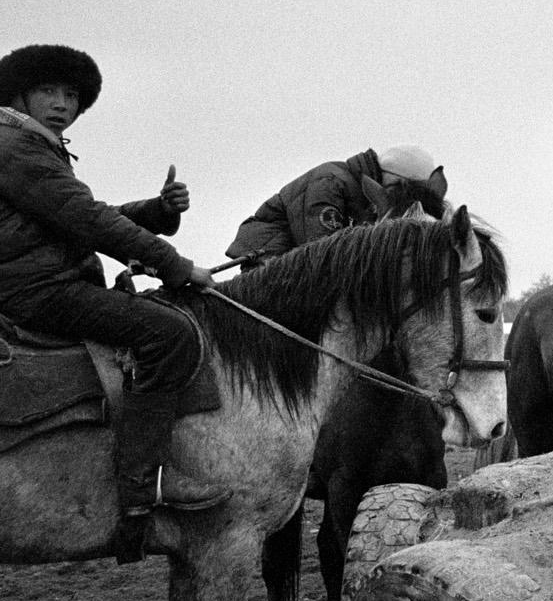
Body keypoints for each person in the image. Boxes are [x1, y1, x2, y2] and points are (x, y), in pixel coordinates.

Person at [0, 44, 223, 541]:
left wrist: (159, 212)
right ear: (20, 94)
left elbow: (77, 216)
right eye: (48, 91)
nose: (61, 103)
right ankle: (147, 483)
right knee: (169, 333)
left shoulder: (33, 144)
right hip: (37, 290)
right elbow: (86, 218)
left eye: (71, 94)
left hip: (45, 281)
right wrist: (178, 266)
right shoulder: (14, 146)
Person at [226, 144, 446, 265]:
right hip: (269, 262)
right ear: (397, 179)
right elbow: (320, 250)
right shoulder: (330, 182)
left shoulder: (371, 198)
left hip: (294, 266)